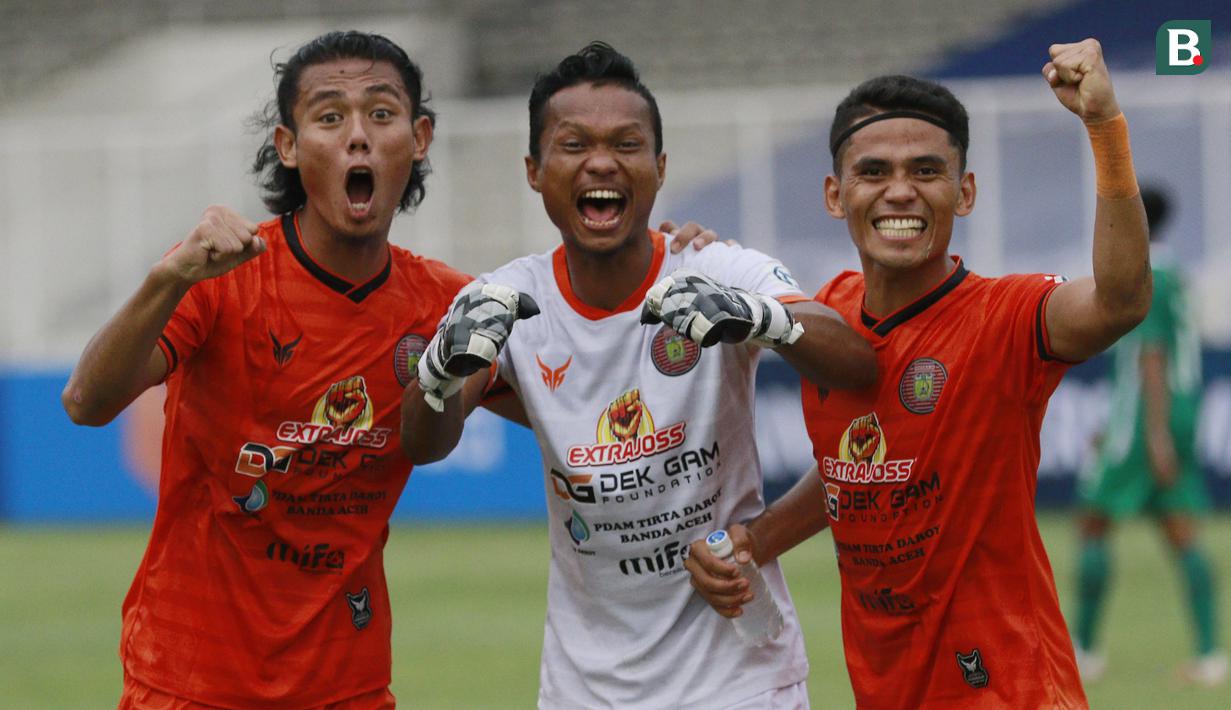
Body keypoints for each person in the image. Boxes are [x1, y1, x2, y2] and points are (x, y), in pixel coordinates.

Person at [60, 30, 716, 708]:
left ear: (420, 137)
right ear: (288, 146)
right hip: (187, 679)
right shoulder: (223, 276)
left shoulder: (450, 305)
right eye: (328, 117)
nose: (357, 138)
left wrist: (664, 261)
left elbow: (590, 408)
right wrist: (166, 278)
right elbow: (86, 401)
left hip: (349, 684)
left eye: (380, 114)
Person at [400, 42, 876, 708]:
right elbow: (424, 443)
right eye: (573, 145)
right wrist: (437, 375)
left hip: (738, 681)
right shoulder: (507, 299)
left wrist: (755, 317)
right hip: (583, 689)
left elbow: (855, 360)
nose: (600, 161)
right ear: (535, 171)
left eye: (626, 144)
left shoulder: (715, 270)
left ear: (658, 168)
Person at [686, 39, 1151, 708]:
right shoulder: (829, 317)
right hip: (887, 686)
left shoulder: (1006, 319)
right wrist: (755, 541)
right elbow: (855, 467)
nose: (899, 190)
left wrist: (1104, 129)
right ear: (834, 193)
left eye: (925, 170)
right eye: (873, 171)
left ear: (963, 193)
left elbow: (1121, 299)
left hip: (1007, 689)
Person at [1072, 185, 1226, 686]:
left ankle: (1085, 652)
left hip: (1143, 422)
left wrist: (1150, 435)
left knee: (1094, 522)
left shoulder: (1145, 277)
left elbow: (1150, 357)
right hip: (1177, 415)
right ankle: (1209, 656)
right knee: (1181, 530)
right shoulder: (1180, 276)